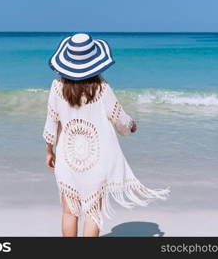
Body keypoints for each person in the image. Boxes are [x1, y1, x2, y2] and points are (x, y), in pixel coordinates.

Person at [43, 33, 169, 237]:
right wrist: (131, 126)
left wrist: (49, 151)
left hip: (67, 159)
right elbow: (120, 118)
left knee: (69, 213)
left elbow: (52, 121)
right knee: (93, 212)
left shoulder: (57, 87)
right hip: (96, 160)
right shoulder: (102, 89)